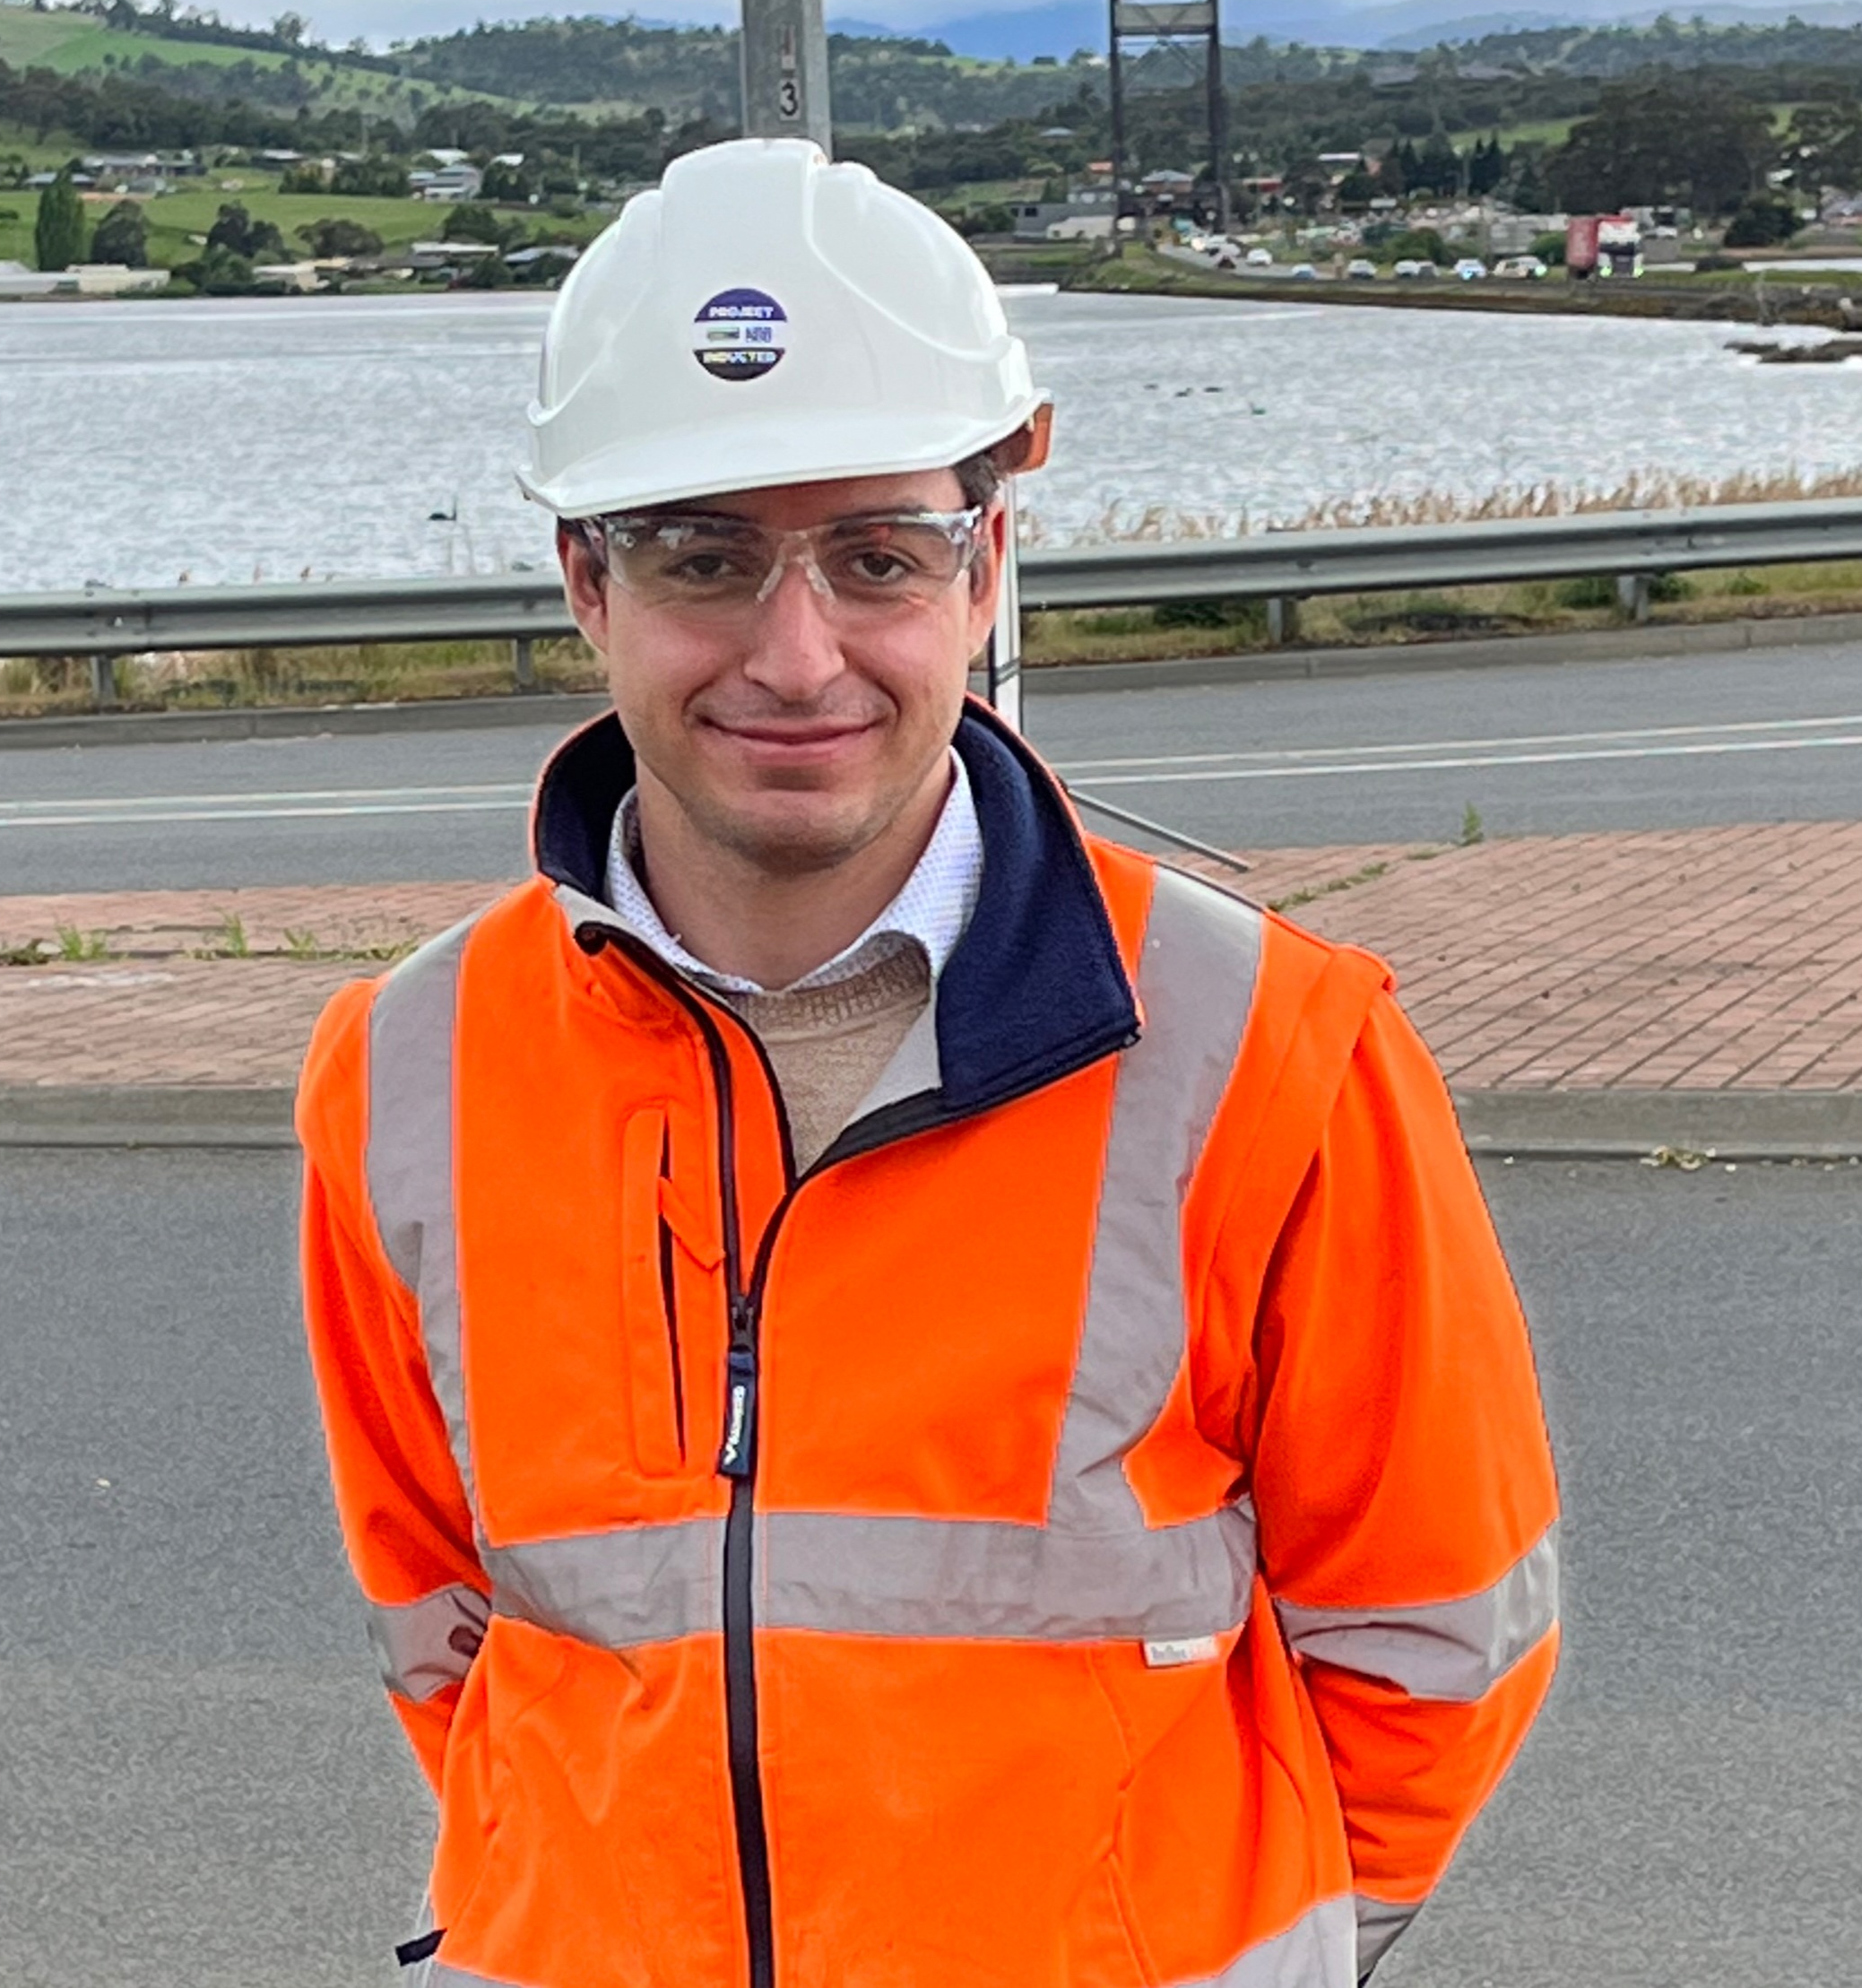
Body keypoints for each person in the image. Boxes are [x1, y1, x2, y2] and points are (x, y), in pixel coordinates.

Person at [297, 138, 1558, 1988]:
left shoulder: (1274, 1045)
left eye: (876, 556)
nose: (796, 654)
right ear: (585, 579)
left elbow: (1438, 1639)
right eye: (706, 558)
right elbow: (447, 1630)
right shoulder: (403, 1064)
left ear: (987, 566)